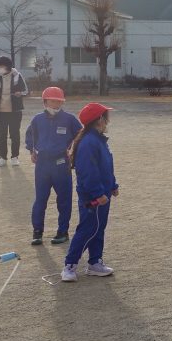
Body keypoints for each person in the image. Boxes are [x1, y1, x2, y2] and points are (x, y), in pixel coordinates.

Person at [61, 103, 118, 283]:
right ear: (99, 119)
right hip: (93, 196)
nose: (108, 120)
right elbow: (88, 172)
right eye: (106, 117)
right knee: (88, 229)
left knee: (98, 228)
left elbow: (106, 166)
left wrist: (113, 185)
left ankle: (95, 262)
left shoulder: (98, 140)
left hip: (103, 194)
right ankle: (69, 265)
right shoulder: (89, 142)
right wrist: (98, 193)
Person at [25, 86, 83, 246]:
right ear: (45, 101)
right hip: (42, 164)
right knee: (40, 199)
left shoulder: (69, 119)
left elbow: (81, 135)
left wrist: (74, 152)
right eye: (53, 101)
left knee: (64, 200)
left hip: (61, 164)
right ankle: (37, 232)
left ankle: (62, 232)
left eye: (59, 101)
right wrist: (31, 150)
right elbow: (30, 135)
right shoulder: (37, 119)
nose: (56, 104)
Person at [0, 55, 30, 167]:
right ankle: (2, 158)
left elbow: (26, 91)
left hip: (15, 111)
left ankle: (15, 157)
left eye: (0, 66)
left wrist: (20, 93)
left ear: (7, 66)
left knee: (15, 134)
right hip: (0, 111)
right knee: (1, 135)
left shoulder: (17, 76)